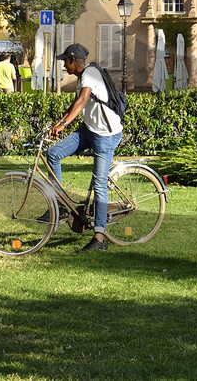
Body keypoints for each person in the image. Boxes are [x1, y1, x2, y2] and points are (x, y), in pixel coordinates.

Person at [44, 43, 123, 252]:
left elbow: (83, 99)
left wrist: (65, 124)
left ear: (72, 60)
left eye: (65, 62)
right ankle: (59, 205)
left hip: (106, 135)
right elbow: (76, 105)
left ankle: (99, 238)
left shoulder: (90, 73)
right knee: (53, 153)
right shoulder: (83, 77)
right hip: (89, 130)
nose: (64, 66)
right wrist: (60, 123)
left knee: (99, 184)